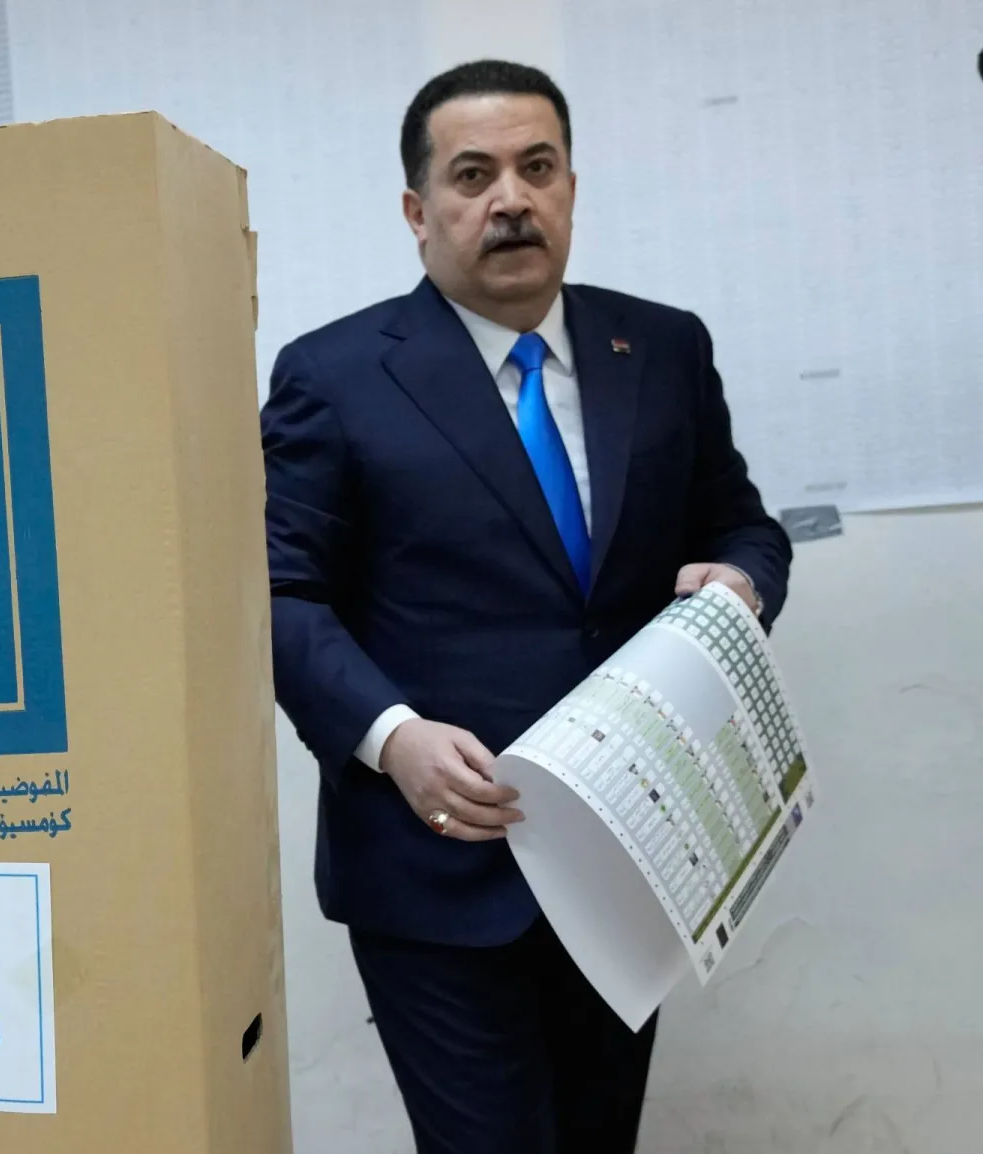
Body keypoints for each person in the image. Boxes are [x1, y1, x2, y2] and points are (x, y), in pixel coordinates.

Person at [262, 60, 792, 1153]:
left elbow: (742, 525)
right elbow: (279, 595)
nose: (511, 197)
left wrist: (737, 583)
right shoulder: (336, 373)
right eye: (474, 174)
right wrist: (390, 737)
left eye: (536, 167)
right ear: (419, 210)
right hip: (437, 860)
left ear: (570, 187)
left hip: (628, 856)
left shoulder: (663, 347)